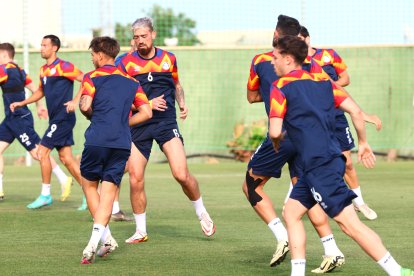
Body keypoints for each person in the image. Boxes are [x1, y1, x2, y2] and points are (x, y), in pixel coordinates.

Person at [269, 35, 413, 276]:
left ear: (288, 58)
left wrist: (276, 142)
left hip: (318, 165)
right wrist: (364, 142)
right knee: (291, 212)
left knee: (350, 225)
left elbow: (275, 130)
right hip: (329, 160)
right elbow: (356, 111)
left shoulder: (280, 87)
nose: (272, 62)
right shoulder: (324, 82)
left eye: (274, 57)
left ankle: (398, 271)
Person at [244, 15, 345, 272]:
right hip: (308, 139)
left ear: (277, 35)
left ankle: (282, 236)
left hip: (282, 136)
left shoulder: (261, 61)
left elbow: (251, 96)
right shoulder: (311, 64)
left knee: (250, 185)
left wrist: (272, 96)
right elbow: (333, 90)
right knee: (306, 192)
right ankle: (331, 249)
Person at [118, 17, 215, 243]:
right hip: (139, 124)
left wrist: (181, 102)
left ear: (153, 35)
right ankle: (141, 231)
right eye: (136, 37)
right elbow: (122, 97)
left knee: (181, 173)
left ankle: (201, 212)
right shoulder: (126, 63)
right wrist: (146, 106)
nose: (140, 41)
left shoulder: (168, 58)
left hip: (165, 123)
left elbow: (177, 85)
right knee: (135, 177)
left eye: (144, 36)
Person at [79, 36, 152, 264]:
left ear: (100, 54)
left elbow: (85, 105)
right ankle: (102, 239)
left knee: (89, 184)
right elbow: (147, 112)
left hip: (97, 139)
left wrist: (88, 111)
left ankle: (103, 238)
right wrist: (123, 124)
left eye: (92, 55)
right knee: (109, 191)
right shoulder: (132, 82)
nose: (91, 59)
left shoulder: (91, 77)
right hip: (121, 143)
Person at [298, 25, 378, 220]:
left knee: (348, 163)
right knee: (309, 163)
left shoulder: (329, 55)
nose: (298, 42)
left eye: (301, 39)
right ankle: (302, 201)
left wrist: (324, 86)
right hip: (315, 120)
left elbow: (345, 79)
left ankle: (359, 201)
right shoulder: (297, 63)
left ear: (308, 39)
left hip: (337, 116)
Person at [10, 35, 84, 209]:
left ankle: (45, 194)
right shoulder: (43, 70)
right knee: (67, 159)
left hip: (63, 118)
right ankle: (90, 193)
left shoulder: (65, 66)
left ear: (54, 48)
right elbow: (40, 92)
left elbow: (87, 79)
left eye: (45, 45)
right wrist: (23, 102)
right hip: (56, 119)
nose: (41, 48)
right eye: (41, 45)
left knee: (42, 152)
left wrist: (75, 101)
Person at [0, 42, 72, 202]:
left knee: (38, 153)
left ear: (4, 55)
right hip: (11, 119)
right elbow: (35, 89)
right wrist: (39, 106)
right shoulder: (20, 71)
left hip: (19, 120)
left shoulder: (3, 70)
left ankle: (63, 178)